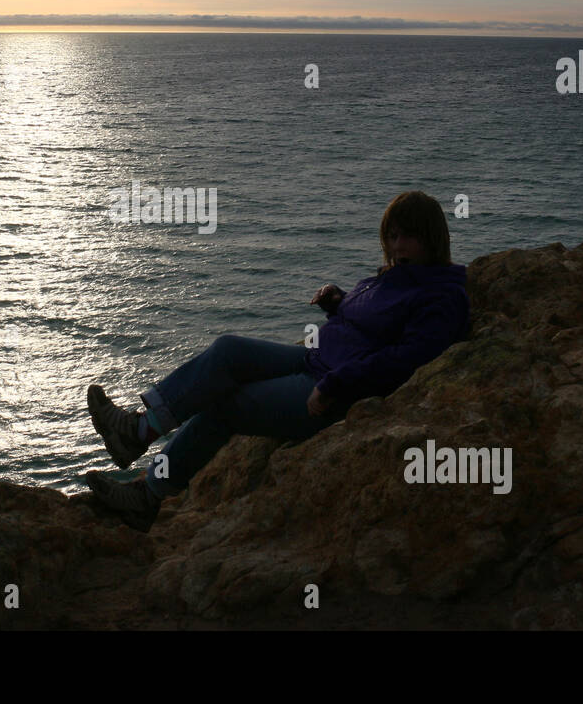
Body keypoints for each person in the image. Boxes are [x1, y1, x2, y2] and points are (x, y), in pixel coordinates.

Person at [83, 190, 471, 531]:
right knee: (228, 350)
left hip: (333, 389)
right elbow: (369, 326)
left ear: (432, 239)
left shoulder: (441, 295)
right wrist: (338, 303)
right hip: (315, 360)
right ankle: (140, 431)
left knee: (225, 405)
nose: (398, 244)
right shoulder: (395, 276)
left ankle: (147, 496)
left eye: (408, 236)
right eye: (392, 235)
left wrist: (338, 382)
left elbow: (406, 359)